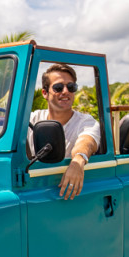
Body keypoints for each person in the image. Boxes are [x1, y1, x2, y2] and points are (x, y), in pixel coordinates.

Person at [28, 63, 101, 200]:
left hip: (62, 189)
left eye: (71, 87)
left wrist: (78, 161)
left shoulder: (86, 122)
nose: (65, 91)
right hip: (33, 184)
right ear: (45, 93)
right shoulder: (33, 118)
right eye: (58, 87)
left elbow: (87, 141)